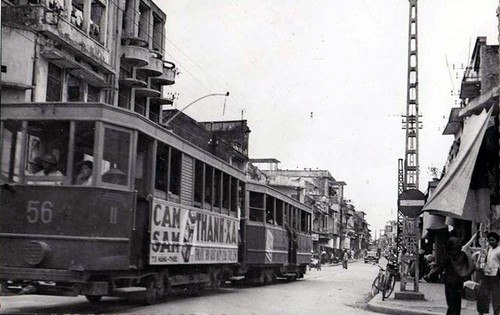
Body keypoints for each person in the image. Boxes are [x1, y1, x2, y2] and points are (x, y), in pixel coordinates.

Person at [424, 236, 475, 315]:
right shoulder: (462, 255)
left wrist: (429, 276)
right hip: (459, 282)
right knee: (457, 302)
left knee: (451, 303)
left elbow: (440, 268)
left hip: (450, 282)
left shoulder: (448, 256)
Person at [477, 231, 500, 315]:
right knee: (482, 294)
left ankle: (496, 313)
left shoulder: (499, 250)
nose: (490, 242)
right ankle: (481, 312)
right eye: (489, 240)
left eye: (492, 240)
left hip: (496, 276)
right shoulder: (489, 249)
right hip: (487, 275)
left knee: (496, 297)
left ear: (497, 241)